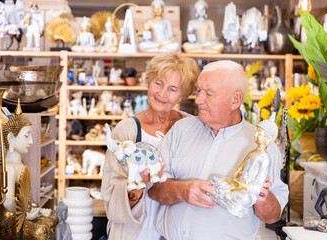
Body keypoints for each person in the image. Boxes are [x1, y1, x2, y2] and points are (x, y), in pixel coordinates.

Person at [149, 60, 289, 240]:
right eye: (199, 90)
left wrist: (262, 198)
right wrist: (182, 190)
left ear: (235, 100)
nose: (198, 99)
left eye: (209, 93)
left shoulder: (263, 147)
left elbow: (272, 216)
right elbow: (153, 189)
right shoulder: (181, 130)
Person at [101, 52, 199, 240]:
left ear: (182, 95)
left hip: (176, 231)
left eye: (172, 89)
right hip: (134, 233)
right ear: (149, 82)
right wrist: (137, 186)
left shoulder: (191, 127)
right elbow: (109, 195)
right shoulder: (127, 130)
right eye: (158, 83)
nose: (162, 94)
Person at [0, 100, 58, 239]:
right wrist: (27, 214)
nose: (31, 141)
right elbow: (8, 202)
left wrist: (35, 210)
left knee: (53, 217)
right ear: (11, 138)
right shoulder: (9, 166)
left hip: (24, 215)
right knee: (40, 232)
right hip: (10, 222)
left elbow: (26, 199)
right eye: (26, 135)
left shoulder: (21, 163)